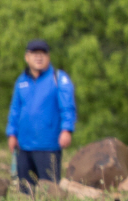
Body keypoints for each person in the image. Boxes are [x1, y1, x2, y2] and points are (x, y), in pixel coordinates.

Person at [5, 39, 77, 192]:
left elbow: (68, 107)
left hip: (48, 146)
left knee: (49, 190)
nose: (39, 57)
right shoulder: (21, 80)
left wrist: (67, 130)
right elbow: (15, 109)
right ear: (27, 57)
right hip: (24, 145)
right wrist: (12, 133)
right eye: (34, 53)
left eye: (43, 53)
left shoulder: (58, 78)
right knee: (25, 190)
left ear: (48, 57)